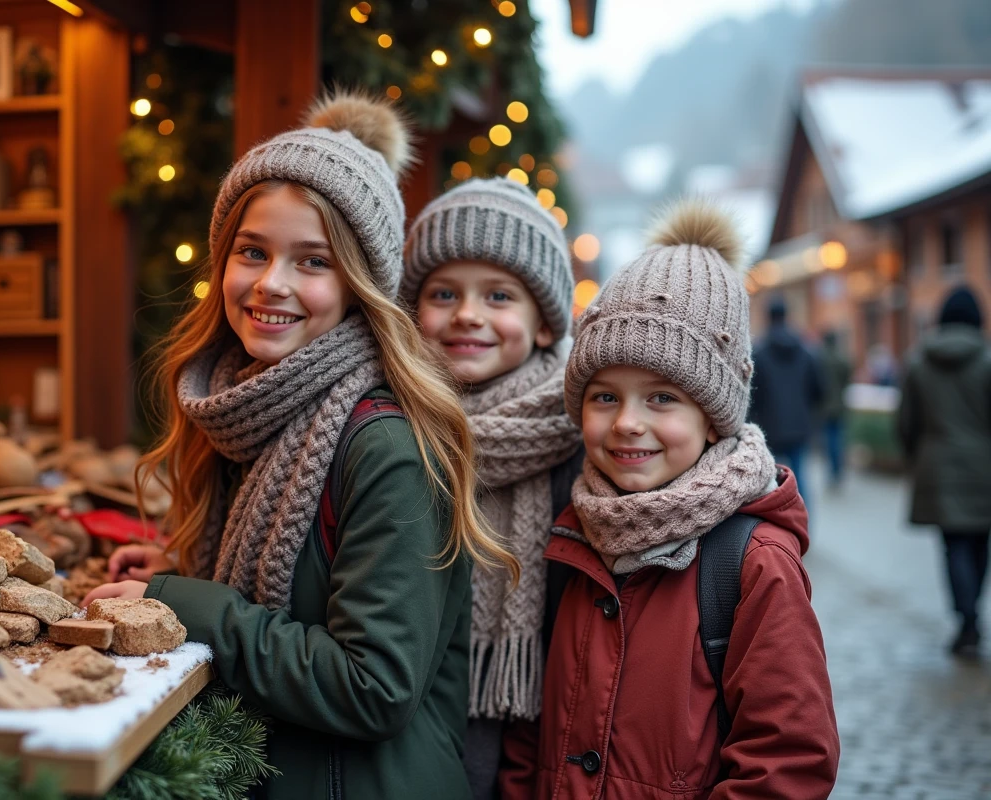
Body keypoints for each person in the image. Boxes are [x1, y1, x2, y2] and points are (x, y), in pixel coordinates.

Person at [82, 92, 519, 799]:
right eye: (252, 251)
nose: (271, 284)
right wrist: (186, 570)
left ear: (358, 285)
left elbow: (373, 685)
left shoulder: (387, 444)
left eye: (312, 262)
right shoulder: (249, 410)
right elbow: (299, 593)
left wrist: (187, 602)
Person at [499, 200, 839, 799]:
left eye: (661, 398)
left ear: (713, 419)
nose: (628, 423)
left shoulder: (753, 563)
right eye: (604, 397)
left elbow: (788, 761)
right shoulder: (572, 537)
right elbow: (533, 732)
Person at [400, 178, 584, 798]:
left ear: (541, 325)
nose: (468, 314)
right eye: (443, 293)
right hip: (409, 705)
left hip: (539, 720)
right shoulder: (390, 426)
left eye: (499, 295)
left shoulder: (579, 433)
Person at [897, 286, 991, 657]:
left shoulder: (920, 363)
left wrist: (915, 458)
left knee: (953, 546)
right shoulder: (987, 361)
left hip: (938, 468)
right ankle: (972, 617)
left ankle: (965, 620)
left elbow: (907, 423)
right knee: (980, 544)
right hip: (984, 467)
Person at [749, 296, 822, 509]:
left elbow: (752, 396)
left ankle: (778, 533)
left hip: (768, 427)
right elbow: (819, 390)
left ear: (768, 317)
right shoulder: (806, 351)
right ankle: (804, 528)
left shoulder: (759, 353)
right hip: (800, 425)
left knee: (771, 484)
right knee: (800, 480)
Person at [819, 329, 852, 487]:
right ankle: (838, 469)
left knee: (829, 439)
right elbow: (848, 377)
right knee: (839, 437)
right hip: (840, 404)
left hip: (825, 406)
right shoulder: (841, 358)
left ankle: (833, 470)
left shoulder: (820, 358)